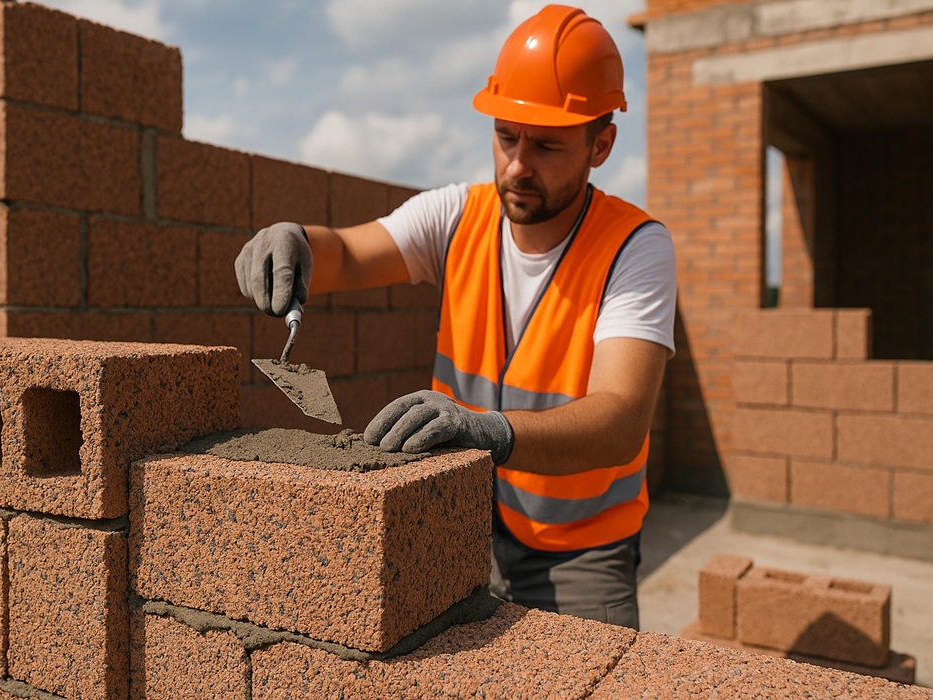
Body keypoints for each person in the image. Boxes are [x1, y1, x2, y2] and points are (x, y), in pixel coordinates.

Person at [235, 4, 676, 630]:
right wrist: (297, 242)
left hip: (584, 549)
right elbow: (351, 254)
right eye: (505, 137)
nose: (518, 165)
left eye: (547, 144)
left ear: (600, 144)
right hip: (469, 521)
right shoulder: (458, 217)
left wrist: (489, 432)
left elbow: (620, 420)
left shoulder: (636, 247)